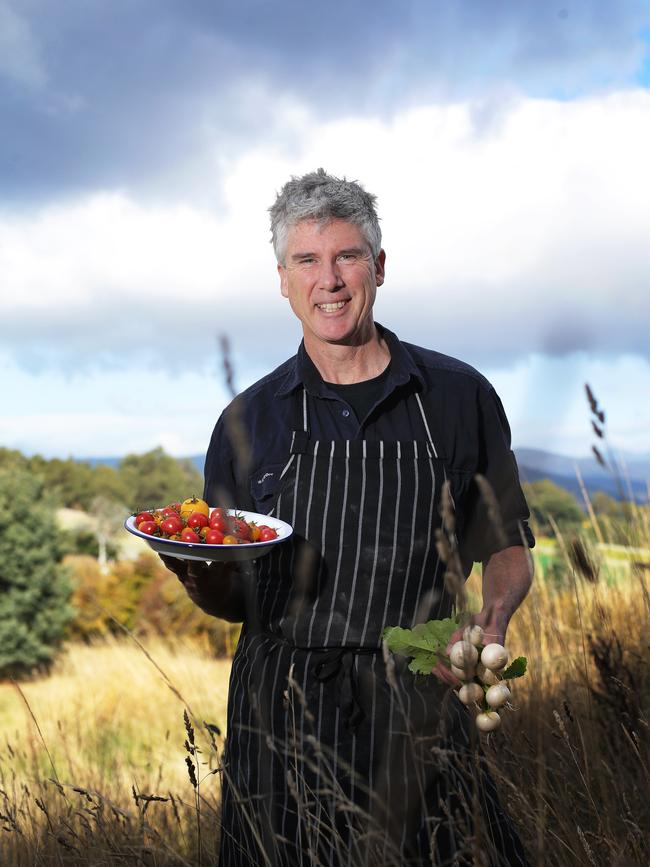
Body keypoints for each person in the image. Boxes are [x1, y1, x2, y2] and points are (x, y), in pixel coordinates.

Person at [163, 169, 534, 866]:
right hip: (283, 706)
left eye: (346, 256)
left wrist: (492, 620)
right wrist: (197, 576)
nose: (328, 280)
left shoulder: (455, 396)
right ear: (282, 278)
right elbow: (232, 596)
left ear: (379, 266)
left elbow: (508, 542)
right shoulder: (249, 419)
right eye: (307, 260)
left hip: (420, 696)